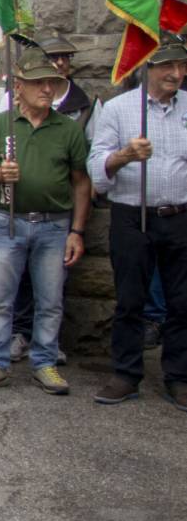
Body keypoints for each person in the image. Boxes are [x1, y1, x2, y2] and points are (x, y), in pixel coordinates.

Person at [0, 45, 89, 395]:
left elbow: (81, 182)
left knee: (50, 300)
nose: (47, 89)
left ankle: (45, 362)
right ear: (18, 87)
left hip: (54, 225)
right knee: (0, 299)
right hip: (8, 221)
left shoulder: (68, 129)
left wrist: (77, 231)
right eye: (37, 83)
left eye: (51, 82)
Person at [87, 35, 187, 409]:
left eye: (181, 66)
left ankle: (179, 376)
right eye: (167, 66)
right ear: (148, 67)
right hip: (133, 216)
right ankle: (126, 374)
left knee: (182, 301)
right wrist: (124, 155)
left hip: (180, 215)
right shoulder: (119, 109)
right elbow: (96, 168)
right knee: (130, 300)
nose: (176, 73)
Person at [38, 33, 93, 128]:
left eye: (65, 56)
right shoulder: (22, 99)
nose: (60, 62)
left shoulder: (86, 105)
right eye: (53, 56)